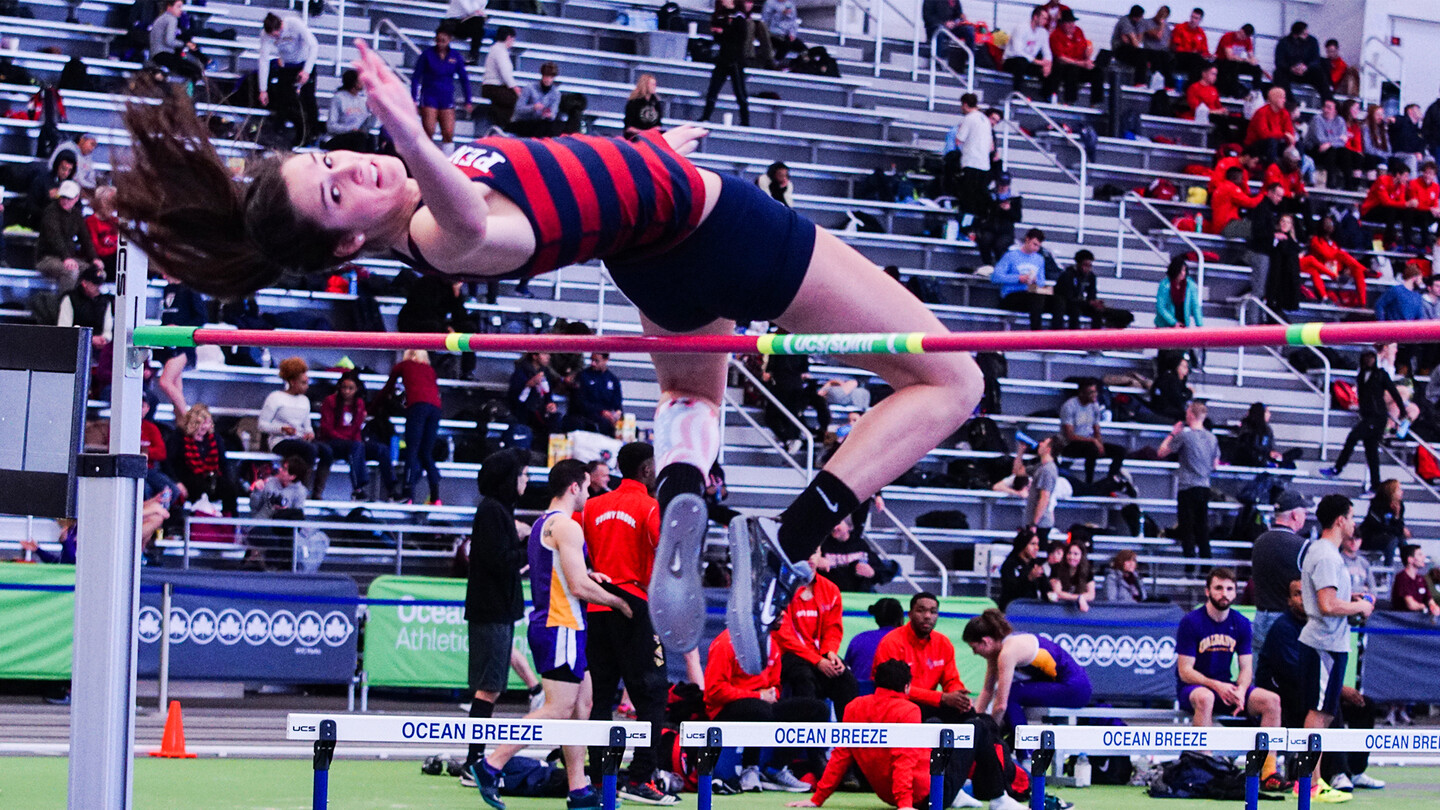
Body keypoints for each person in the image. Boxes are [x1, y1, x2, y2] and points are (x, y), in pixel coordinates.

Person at [115, 48, 985, 678]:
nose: (356, 168)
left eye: (333, 159)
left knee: (688, 388)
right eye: (339, 191)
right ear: (348, 242)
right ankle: (788, 545)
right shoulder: (434, 229)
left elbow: (568, 177)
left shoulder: (429, 191)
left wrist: (647, 157)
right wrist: (413, 136)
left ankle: (684, 494)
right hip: (724, 229)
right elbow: (469, 225)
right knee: (953, 378)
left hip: (655, 247)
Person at [468, 460, 633, 810]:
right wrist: (621, 603)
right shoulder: (568, 527)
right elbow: (575, 585)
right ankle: (490, 765)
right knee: (557, 707)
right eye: (587, 487)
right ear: (574, 487)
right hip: (561, 626)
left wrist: (592, 577)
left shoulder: (545, 523)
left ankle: (578, 790)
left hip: (560, 625)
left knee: (581, 705)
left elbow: (568, 575)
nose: (589, 494)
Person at [579, 443, 679, 805]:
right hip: (636, 606)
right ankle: (640, 777)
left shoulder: (591, 506)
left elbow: (577, 550)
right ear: (648, 470)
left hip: (598, 604)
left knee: (602, 696)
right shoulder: (650, 506)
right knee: (652, 693)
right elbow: (669, 554)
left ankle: (599, 777)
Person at [871, 594, 1031, 810]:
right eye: (921, 610)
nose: (927, 616)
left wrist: (959, 696)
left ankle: (1001, 791)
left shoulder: (942, 643)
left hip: (934, 704)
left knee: (981, 722)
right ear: (910, 614)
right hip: (902, 708)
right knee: (938, 723)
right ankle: (990, 792)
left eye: (933, 611)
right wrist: (942, 697)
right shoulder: (891, 642)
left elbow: (951, 680)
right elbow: (893, 689)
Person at [790, 660, 998, 810]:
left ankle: (959, 795)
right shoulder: (908, 710)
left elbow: (841, 755)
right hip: (930, 797)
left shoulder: (854, 707)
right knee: (978, 726)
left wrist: (818, 799)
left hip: (888, 795)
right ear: (907, 687)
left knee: (935, 726)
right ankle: (999, 797)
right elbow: (903, 759)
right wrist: (905, 805)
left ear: (875, 683)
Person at [1175, 568, 1288, 788]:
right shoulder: (1191, 622)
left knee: (1271, 701)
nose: (1224, 594)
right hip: (1195, 688)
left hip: (1227, 689)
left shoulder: (1242, 623)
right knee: (1206, 697)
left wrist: (1242, 691)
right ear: (1208, 591)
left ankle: (1267, 770)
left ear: (1235, 593)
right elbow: (1185, 671)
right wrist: (1217, 686)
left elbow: (1246, 667)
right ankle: (1203, 765)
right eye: (1218, 588)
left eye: (1229, 589)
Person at [1298, 494, 1374, 803]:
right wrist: (1359, 605)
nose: (1355, 523)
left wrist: (1350, 597)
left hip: (1331, 644)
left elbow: (1331, 597)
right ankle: (1311, 783)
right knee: (1318, 715)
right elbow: (1328, 605)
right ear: (1340, 520)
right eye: (1352, 517)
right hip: (1323, 645)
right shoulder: (1326, 555)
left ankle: (1314, 781)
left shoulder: (1328, 553)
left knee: (1326, 714)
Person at [460, 448, 530, 780]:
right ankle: (473, 761)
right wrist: (529, 548)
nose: (526, 480)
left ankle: (474, 759)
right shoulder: (492, 512)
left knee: (491, 685)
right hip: (491, 610)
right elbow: (499, 560)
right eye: (522, 474)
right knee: (488, 685)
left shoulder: (498, 511)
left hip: (497, 609)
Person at [705, 628, 829, 792]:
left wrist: (772, 694)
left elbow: (775, 685)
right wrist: (758, 696)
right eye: (777, 611)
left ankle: (776, 769)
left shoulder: (772, 645)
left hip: (762, 705)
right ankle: (750, 768)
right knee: (761, 710)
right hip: (724, 709)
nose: (782, 615)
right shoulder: (726, 643)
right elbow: (714, 691)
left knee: (818, 709)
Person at [965, 608, 1092, 730]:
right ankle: (1018, 743)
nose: (974, 653)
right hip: (1063, 684)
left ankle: (1025, 748)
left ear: (986, 641)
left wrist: (990, 733)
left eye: (974, 648)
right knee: (1011, 697)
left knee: (1011, 694)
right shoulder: (996, 653)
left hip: (1077, 689)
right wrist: (974, 723)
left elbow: (1001, 705)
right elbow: (987, 690)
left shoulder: (1008, 652)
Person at [775, 549, 859, 721]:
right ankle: (812, 747)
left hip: (820, 655)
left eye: (814, 552)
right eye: (806, 553)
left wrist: (830, 653)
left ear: (820, 554)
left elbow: (833, 629)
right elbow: (785, 637)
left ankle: (848, 744)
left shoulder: (831, 590)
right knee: (804, 678)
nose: (810, 557)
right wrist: (818, 661)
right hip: (789, 655)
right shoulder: (781, 589)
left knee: (846, 679)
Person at [1321, 350, 1405, 491]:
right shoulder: (1361, 376)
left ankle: (1338, 467)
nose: (1369, 361)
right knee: (1371, 451)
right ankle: (1375, 484)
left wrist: (1402, 410)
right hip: (1368, 415)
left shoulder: (1380, 375)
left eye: (1371, 358)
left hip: (1377, 417)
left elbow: (1394, 392)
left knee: (1353, 437)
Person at [318, 369, 396, 501]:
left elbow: (357, 429)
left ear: (357, 389)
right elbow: (327, 429)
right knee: (356, 446)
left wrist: (354, 442)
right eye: (344, 387)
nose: (346, 391)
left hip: (353, 444)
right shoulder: (330, 401)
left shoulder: (359, 404)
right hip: (333, 442)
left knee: (381, 449)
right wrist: (349, 440)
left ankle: (392, 490)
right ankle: (358, 489)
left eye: (351, 388)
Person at [258, 357, 332, 495]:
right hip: (280, 441)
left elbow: (307, 426)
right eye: (303, 383)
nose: (307, 386)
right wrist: (281, 429)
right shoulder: (275, 397)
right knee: (309, 450)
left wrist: (309, 433)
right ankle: (302, 489)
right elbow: (262, 425)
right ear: (292, 382)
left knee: (327, 451)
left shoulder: (305, 400)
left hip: (298, 439)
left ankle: (318, 492)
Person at [381, 350, 444, 504]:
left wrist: (372, 407)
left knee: (412, 450)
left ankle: (408, 493)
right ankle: (436, 496)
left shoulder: (404, 365)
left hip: (417, 407)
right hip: (435, 409)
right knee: (426, 453)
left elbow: (387, 389)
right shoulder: (430, 370)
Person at [1157, 400, 1218, 560]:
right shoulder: (1212, 438)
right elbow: (1215, 465)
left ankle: (1189, 563)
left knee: (1187, 527)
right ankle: (1206, 563)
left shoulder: (1185, 436)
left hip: (1187, 486)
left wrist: (1172, 433)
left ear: (1190, 415)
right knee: (1202, 527)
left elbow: (1162, 452)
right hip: (1204, 486)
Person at [1250, 488, 1309, 650]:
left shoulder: (1259, 542)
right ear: (1295, 515)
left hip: (1260, 616)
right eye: (1304, 513)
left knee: (1260, 672)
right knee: (1287, 673)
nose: (1305, 517)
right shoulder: (1302, 546)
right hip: (1287, 620)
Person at [258, 11, 321, 146]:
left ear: (281, 25)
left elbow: (314, 45)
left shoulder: (294, 24)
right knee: (283, 100)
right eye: (273, 36)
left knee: (308, 99)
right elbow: (263, 60)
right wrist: (263, 89)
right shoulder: (265, 35)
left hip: (304, 62)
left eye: (278, 33)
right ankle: (280, 132)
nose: (277, 37)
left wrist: (307, 71)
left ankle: (314, 132)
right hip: (287, 66)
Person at [168, 403, 239, 516]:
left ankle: (230, 525)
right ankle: (197, 526)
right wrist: (177, 482)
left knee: (230, 489)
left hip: (210, 477)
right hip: (187, 478)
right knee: (198, 487)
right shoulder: (179, 437)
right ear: (192, 424)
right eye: (200, 424)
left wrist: (228, 480)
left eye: (207, 423)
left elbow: (223, 463)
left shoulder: (215, 438)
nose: (204, 427)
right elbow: (169, 463)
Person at [412, 25, 472, 151]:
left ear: (450, 40)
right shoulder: (427, 55)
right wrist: (413, 98)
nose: (440, 44)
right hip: (429, 96)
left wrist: (468, 100)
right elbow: (416, 76)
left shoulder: (455, 56)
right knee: (428, 130)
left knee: (448, 132)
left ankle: (447, 161)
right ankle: (426, 160)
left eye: (443, 41)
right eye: (438, 40)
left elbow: (464, 79)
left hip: (446, 97)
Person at [246, 454, 309, 569]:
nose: (280, 470)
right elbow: (254, 508)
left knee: (293, 522)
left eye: (284, 469)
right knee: (281, 539)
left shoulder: (300, 491)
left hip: (283, 527)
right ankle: (279, 569)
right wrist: (257, 492)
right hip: (262, 523)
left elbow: (297, 519)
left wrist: (284, 511)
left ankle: (278, 570)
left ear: (292, 476)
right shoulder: (270, 482)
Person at [993, 228, 1062, 330]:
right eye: (1034, 244)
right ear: (1027, 239)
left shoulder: (1039, 259)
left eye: (1038, 246)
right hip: (1012, 295)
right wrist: (1018, 278)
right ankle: (1036, 334)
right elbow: (995, 277)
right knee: (1036, 298)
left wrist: (1035, 281)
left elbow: (1041, 281)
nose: (1036, 248)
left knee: (1058, 300)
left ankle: (1057, 336)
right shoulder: (1011, 256)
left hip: (1031, 291)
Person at [37, 180, 101, 290]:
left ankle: (84, 303)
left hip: (67, 257)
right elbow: (54, 238)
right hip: (47, 258)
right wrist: (66, 257)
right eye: (63, 197)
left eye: (69, 198)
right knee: (71, 271)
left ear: (76, 198)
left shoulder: (76, 214)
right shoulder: (50, 212)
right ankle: (65, 303)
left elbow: (85, 238)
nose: (65, 201)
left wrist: (94, 258)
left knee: (96, 273)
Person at [1058, 380, 1126, 484]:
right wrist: (1094, 441)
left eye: (1095, 392)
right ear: (1082, 393)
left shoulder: (1094, 406)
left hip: (1089, 442)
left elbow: (1096, 429)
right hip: (1069, 445)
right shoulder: (1069, 406)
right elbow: (1070, 436)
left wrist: (1099, 443)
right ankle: (1089, 482)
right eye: (1091, 392)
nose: (1095, 395)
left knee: (1120, 451)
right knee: (1092, 449)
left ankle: (1111, 480)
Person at [699, 0, 752, 127]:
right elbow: (718, 36)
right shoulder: (720, 15)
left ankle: (745, 121)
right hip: (723, 58)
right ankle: (705, 116)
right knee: (713, 89)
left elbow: (739, 37)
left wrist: (724, 31)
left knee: (740, 92)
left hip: (735, 60)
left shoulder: (739, 17)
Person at [1053, 249, 1133, 330]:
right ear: (1078, 264)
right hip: (1067, 304)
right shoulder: (1067, 275)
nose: (1088, 268)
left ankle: (1096, 335)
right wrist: (1086, 302)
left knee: (1098, 311)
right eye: (1085, 265)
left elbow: (1091, 295)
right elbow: (1066, 296)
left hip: (1082, 304)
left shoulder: (1091, 277)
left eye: (1090, 266)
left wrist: (1094, 302)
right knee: (1075, 310)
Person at [1302, 215, 1370, 306]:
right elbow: (1327, 254)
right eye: (1326, 223)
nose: (1329, 226)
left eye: (1331, 223)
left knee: (1356, 270)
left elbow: (1336, 257)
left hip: (1335, 268)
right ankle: (1365, 270)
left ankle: (1363, 304)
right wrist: (1338, 253)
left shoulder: (1334, 242)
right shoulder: (1316, 240)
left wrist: (1347, 267)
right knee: (1341, 254)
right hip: (1322, 268)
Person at [947, 93, 993, 226]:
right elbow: (990, 147)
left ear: (965, 104)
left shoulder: (969, 119)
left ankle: (966, 226)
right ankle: (978, 224)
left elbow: (958, 140)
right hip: (984, 164)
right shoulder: (985, 119)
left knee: (968, 198)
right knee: (979, 197)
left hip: (971, 162)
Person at [843, 597, 904, 696]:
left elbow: (846, 670)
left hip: (857, 696)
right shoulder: (904, 640)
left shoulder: (859, 638)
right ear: (901, 619)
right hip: (889, 698)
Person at [1048, 9, 1104, 105]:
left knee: (1097, 71)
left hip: (1080, 65)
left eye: (1073, 22)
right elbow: (1060, 58)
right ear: (1062, 23)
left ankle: (1096, 102)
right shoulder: (1055, 35)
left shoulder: (1078, 31)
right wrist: (1080, 63)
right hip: (1064, 68)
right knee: (1072, 69)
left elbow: (1084, 48)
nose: (1072, 25)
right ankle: (1070, 101)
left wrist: (1088, 57)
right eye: (1069, 22)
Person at [1306, 99, 1357, 190]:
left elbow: (1343, 142)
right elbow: (1320, 139)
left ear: (1335, 111)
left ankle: (1349, 185)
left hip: (1330, 149)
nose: (1325, 110)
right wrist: (1337, 139)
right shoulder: (1317, 119)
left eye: (1329, 108)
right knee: (1331, 152)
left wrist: (1330, 143)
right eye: (1324, 107)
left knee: (1345, 152)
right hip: (1314, 149)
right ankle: (1330, 184)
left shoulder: (1340, 121)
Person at [1002, 6, 1053, 95]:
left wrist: (1048, 64)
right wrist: (1038, 62)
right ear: (1035, 17)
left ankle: (1046, 96)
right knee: (1021, 61)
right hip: (1012, 60)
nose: (1046, 21)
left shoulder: (1043, 32)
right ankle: (1017, 93)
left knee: (1052, 68)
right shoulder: (1021, 28)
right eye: (1044, 18)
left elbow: (1047, 51)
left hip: (1030, 62)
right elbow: (1018, 51)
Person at [1273, 20, 1329, 101]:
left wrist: (1306, 67)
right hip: (1289, 73)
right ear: (1296, 35)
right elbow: (1279, 61)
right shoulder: (1283, 42)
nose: (1307, 35)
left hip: (1307, 72)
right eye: (1304, 34)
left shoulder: (1312, 41)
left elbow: (1316, 59)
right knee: (1278, 74)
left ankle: (1328, 102)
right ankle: (1290, 102)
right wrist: (1291, 68)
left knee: (1320, 74)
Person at [56, 265, 113, 345]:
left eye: (100, 284)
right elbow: (64, 329)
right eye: (95, 284)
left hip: (99, 348)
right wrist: (90, 339)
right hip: (74, 346)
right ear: (84, 283)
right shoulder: (70, 299)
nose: (98, 288)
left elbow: (108, 331)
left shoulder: (105, 301)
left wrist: (104, 339)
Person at [149, 0, 203, 82]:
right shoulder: (171, 19)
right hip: (164, 54)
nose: (181, 10)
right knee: (195, 70)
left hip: (156, 54)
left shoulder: (161, 18)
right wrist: (184, 44)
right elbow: (169, 41)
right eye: (178, 7)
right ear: (169, 7)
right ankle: (188, 91)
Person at [1112, 5, 1165, 89]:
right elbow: (1134, 42)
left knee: (1154, 54)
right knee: (1141, 55)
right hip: (1120, 50)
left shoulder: (1139, 22)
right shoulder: (1124, 21)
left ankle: (1156, 80)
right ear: (1136, 17)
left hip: (1131, 49)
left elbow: (1138, 40)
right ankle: (1139, 82)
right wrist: (1135, 38)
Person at [570, 352, 623, 435]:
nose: (593, 363)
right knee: (603, 423)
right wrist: (601, 411)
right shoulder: (583, 376)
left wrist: (617, 413)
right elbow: (580, 402)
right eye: (592, 360)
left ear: (606, 360)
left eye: (596, 361)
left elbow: (618, 403)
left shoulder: (613, 380)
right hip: (589, 415)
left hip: (609, 416)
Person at [1360, 480, 1410, 566]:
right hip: (1371, 537)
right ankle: (1387, 571)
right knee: (1393, 539)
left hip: (1389, 535)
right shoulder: (1376, 504)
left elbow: (1399, 527)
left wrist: (1397, 516)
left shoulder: (1400, 506)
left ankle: (1409, 568)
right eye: (1399, 489)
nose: (1402, 492)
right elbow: (1378, 526)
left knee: (1402, 540)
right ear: (1391, 492)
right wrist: (1400, 529)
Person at [325, 68, 376, 152]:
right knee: (358, 138)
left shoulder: (362, 100)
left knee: (370, 139)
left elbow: (368, 126)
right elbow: (331, 126)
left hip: (358, 137)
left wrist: (375, 112)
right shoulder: (338, 98)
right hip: (339, 137)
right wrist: (350, 129)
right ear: (354, 82)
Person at [1023, 435, 1060, 544]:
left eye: (1044, 442)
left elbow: (1044, 498)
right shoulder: (1041, 467)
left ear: (1048, 449)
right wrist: (1021, 450)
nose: (1040, 444)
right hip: (1036, 522)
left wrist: (1034, 523)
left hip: (1040, 523)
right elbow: (1018, 471)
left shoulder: (1048, 470)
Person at [480, 26, 521, 126]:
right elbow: (505, 72)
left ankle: (501, 124)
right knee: (517, 99)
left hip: (493, 86)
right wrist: (515, 88)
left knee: (504, 105)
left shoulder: (496, 49)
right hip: (493, 86)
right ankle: (506, 125)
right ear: (508, 38)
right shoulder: (500, 51)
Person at [509, 62, 563, 138]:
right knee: (539, 127)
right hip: (523, 122)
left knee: (553, 126)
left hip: (540, 123)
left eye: (550, 77)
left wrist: (549, 115)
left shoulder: (556, 93)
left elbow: (553, 113)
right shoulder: (529, 88)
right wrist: (533, 107)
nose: (547, 79)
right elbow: (518, 109)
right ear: (542, 76)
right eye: (546, 76)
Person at [997, 528, 1047, 609]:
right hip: (1012, 609)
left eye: (1037, 544)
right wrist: (1029, 578)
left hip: (1032, 610)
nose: (1036, 548)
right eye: (1032, 544)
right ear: (1023, 544)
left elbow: (1045, 589)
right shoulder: (1009, 564)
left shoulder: (1035, 564)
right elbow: (1010, 590)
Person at [1246, 87, 1297, 164]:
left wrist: (1290, 141)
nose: (1284, 100)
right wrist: (1284, 135)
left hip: (1276, 143)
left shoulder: (1285, 113)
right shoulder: (1261, 113)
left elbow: (1290, 133)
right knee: (1272, 142)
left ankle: (1296, 171)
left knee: (1298, 144)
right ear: (1274, 99)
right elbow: (1264, 135)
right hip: (1256, 146)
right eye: (1282, 98)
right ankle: (1271, 168)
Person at [1208, 165, 1263, 236]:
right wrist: (1263, 195)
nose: (1243, 180)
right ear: (1236, 177)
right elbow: (1250, 203)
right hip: (1227, 226)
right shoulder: (1231, 188)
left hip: (1219, 226)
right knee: (1259, 228)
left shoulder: (1221, 187)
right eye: (1242, 177)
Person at [1216, 23, 1264, 98]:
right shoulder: (1228, 37)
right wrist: (1247, 60)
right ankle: (1235, 92)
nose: (1242, 38)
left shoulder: (1247, 40)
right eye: (1242, 36)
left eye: (1245, 37)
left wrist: (1254, 61)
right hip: (1222, 62)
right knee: (1233, 66)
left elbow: (1250, 55)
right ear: (1240, 31)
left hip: (1236, 62)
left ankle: (1256, 91)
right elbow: (1230, 57)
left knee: (1257, 69)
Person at [1154, 254, 1201, 328]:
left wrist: (1199, 325)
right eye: (1181, 270)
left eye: (1184, 270)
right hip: (1164, 326)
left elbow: (1195, 307)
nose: (1183, 273)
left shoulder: (1190, 285)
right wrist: (1173, 323)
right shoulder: (1164, 285)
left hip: (1183, 325)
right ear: (1175, 270)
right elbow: (1161, 307)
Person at [1392, 543, 1440, 615]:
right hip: (1403, 620)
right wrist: (1427, 607)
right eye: (1420, 555)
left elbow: (1429, 599)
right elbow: (1411, 605)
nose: (1423, 557)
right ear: (1410, 559)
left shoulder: (1421, 579)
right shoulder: (1402, 578)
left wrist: (1434, 607)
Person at [1048, 542, 1094, 611]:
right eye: (1069, 553)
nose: (1071, 557)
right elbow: (1058, 593)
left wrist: (1081, 598)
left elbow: (1091, 595)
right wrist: (1079, 598)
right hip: (1056, 608)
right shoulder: (1056, 568)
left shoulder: (1087, 571)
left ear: (1082, 556)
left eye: (1076, 554)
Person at [1169, 7, 1211, 79]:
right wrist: (1191, 52)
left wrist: (1209, 56)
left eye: (1196, 18)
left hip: (1195, 59)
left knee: (1209, 65)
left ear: (1200, 20)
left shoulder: (1201, 33)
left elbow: (1205, 50)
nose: (1193, 20)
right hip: (1179, 57)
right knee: (1195, 59)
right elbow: (1175, 47)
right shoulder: (1180, 28)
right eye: (1192, 17)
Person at [442, 0, 488, 65]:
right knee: (478, 22)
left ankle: (473, 56)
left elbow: (483, 4)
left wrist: (479, 13)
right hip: (453, 22)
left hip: (467, 22)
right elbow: (470, 9)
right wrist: (479, 13)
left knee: (479, 27)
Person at [1138, 5, 1173, 87]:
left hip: (1163, 52)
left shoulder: (1167, 27)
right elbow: (1158, 36)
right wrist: (1161, 24)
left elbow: (1168, 42)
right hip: (1150, 51)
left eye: (1164, 15)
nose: (1161, 15)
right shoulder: (1146, 23)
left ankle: (1169, 86)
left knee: (1170, 59)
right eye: (1161, 13)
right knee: (1158, 58)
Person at [1408, 161, 1440, 250]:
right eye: (1426, 173)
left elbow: (1434, 204)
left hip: (1428, 213)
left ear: (1434, 176)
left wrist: (1436, 211)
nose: (1427, 176)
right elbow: (1414, 204)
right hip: (1414, 215)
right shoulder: (1414, 183)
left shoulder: (1436, 187)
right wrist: (1430, 209)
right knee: (1424, 216)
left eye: (1430, 174)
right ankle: (1426, 244)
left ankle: (1438, 241)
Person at [762, 0, 805, 64]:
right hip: (773, 34)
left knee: (802, 48)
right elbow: (766, 20)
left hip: (786, 34)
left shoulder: (790, 4)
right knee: (786, 44)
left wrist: (792, 34)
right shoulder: (770, 3)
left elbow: (793, 22)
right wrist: (780, 13)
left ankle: (796, 65)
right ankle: (774, 63)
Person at [1391, 104, 1428, 177]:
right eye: (1417, 110)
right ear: (1410, 111)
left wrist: (1420, 152)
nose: (1420, 112)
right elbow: (1394, 121)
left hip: (1413, 154)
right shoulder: (1402, 120)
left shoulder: (1418, 130)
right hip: (1400, 153)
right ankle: (1413, 185)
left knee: (1429, 159)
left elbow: (1422, 143)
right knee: (1412, 158)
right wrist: (1392, 120)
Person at [623, 74, 663, 138]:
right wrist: (643, 133)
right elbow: (629, 127)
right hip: (635, 138)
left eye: (655, 85)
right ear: (645, 85)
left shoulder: (656, 103)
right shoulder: (634, 103)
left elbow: (658, 124)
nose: (655, 87)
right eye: (652, 85)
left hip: (652, 137)